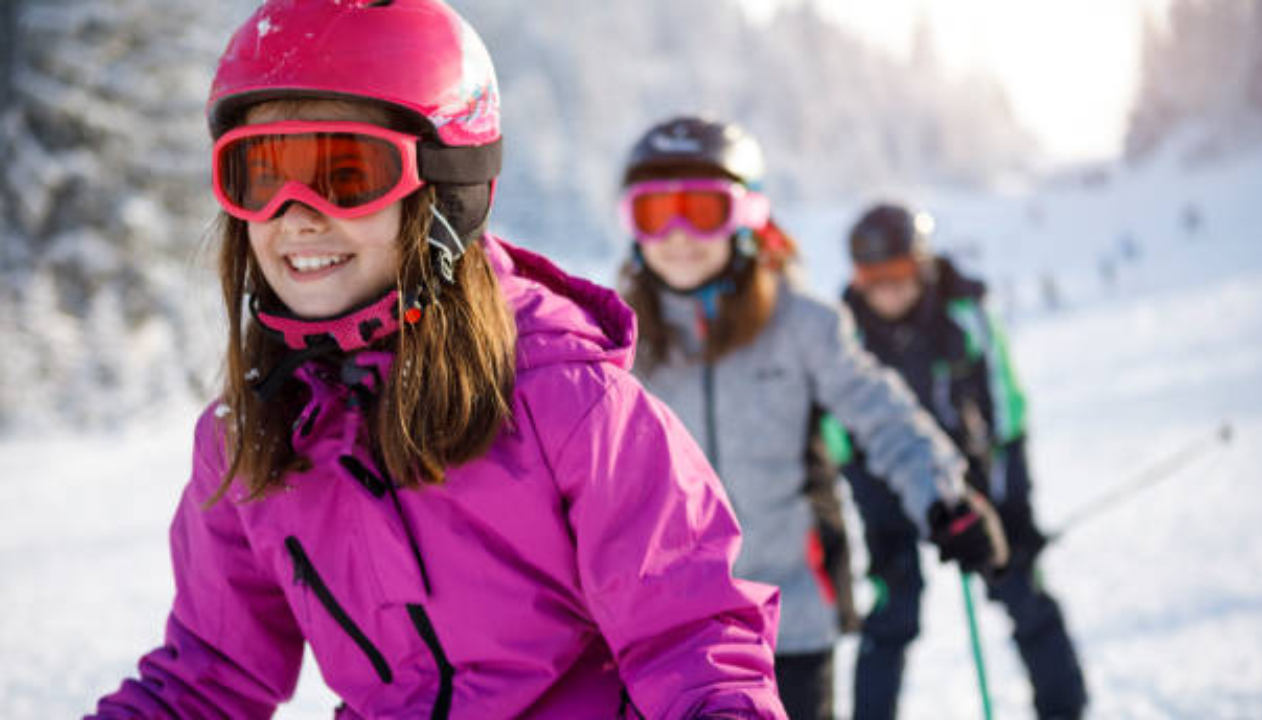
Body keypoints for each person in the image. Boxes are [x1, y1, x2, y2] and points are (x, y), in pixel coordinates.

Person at [89, 3, 787, 717]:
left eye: (344, 171)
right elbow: (206, 678)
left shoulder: (566, 402)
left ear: (444, 189)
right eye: (263, 174)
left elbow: (691, 637)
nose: (296, 213)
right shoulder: (250, 437)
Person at [615, 116, 1008, 720]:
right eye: (653, 212)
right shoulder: (620, 341)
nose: (677, 234)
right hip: (674, 634)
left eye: (701, 209)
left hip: (790, 618)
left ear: (745, 216)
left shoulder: (802, 325)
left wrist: (944, 496)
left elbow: (883, 414)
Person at [839, 202, 1088, 720]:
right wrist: (875, 502)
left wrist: (1007, 499)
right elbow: (837, 431)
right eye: (872, 276)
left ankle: (1064, 708)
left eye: (899, 272)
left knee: (1019, 581)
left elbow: (1006, 401)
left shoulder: (963, 311)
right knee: (894, 601)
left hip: (977, 476)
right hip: (885, 481)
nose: (887, 289)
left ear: (922, 264)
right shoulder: (846, 332)